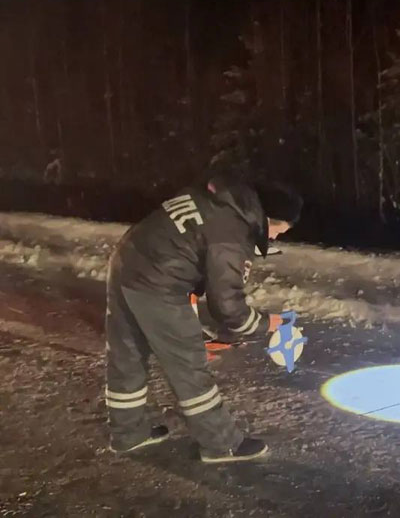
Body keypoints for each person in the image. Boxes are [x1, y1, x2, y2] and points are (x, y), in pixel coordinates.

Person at [104, 173, 302, 463]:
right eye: (278, 231)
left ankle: (127, 433)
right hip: (159, 283)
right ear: (267, 218)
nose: (274, 238)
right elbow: (227, 307)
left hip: (128, 261)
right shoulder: (232, 234)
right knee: (188, 365)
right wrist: (267, 323)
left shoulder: (216, 200)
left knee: (127, 353)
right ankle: (221, 443)